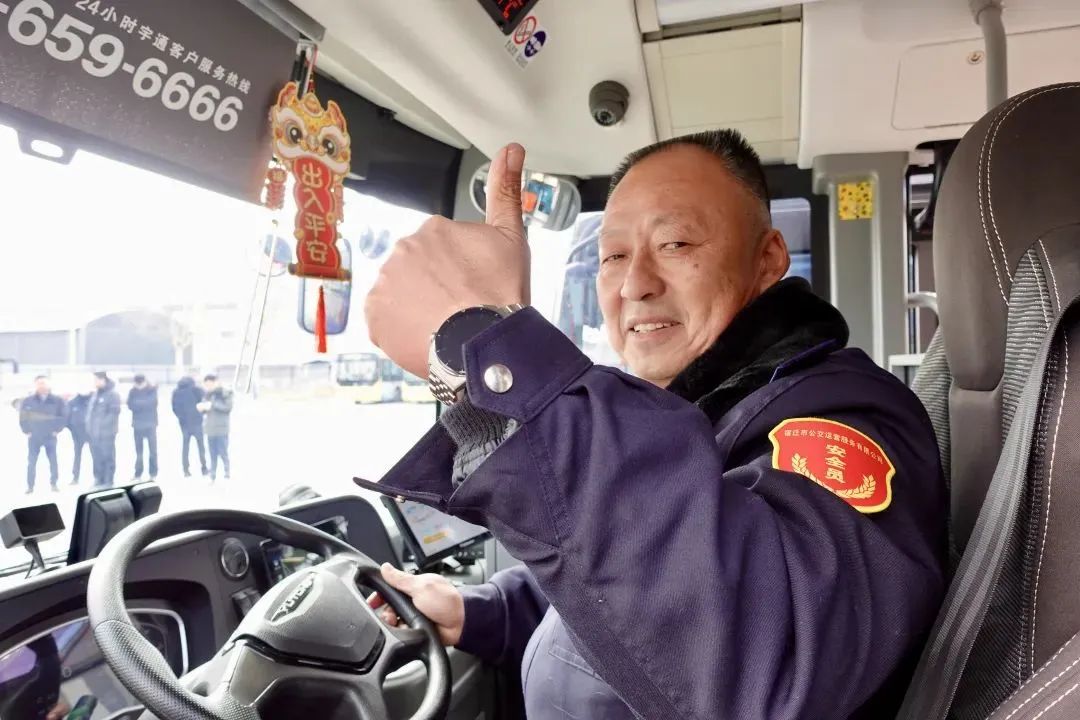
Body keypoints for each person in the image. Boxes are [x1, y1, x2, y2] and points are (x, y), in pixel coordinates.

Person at [361, 133, 948, 718]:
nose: (634, 284)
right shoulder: (698, 409)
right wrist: (483, 613)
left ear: (768, 259)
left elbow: (767, 667)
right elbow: (631, 585)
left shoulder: (841, 413)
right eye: (613, 256)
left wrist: (486, 354)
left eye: (675, 243)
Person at [18, 376, 65, 493]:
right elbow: (23, 417)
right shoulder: (28, 400)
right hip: (34, 437)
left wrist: (57, 430)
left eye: (43, 383)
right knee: (31, 462)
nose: (41, 385)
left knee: (53, 461)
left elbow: (63, 416)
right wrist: (26, 431)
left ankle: (54, 483)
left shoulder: (57, 400)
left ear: (48, 384)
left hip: (50, 436)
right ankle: (30, 486)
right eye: (39, 383)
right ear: (35, 385)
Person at [86, 371, 121, 488]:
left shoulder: (112, 395)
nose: (94, 382)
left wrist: (102, 427)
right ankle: (98, 479)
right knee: (97, 457)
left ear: (103, 380)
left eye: (96, 380)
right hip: (94, 433)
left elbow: (113, 413)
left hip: (107, 433)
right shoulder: (96, 394)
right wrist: (89, 428)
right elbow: (91, 413)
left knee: (108, 456)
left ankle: (108, 480)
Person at [172, 376, 208, 478]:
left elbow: (174, 408)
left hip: (184, 424)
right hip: (197, 422)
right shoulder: (197, 390)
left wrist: (181, 418)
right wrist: (201, 415)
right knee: (201, 446)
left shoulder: (176, 392)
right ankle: (204, 468)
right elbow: (203, 403)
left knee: (185, 447)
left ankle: (186, 470)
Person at [198, 374, 232, 481]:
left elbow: (228, 408)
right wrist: (202, 408)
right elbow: (206, 409)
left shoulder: (225, 393)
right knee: (212, 454)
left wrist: (213, 405)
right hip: (210, 429)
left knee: (223, 452)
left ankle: (227, 473)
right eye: (206, 385)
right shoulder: (207, 395)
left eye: (210, 385)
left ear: (215, 382)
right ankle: (212, 474)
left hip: (222, 428)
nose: (208, 387)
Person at [126, 373, 158, 481]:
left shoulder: (152, 390)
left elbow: (152, 404)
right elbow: (130, 405)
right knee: (139, 452)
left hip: (150, 424)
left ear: (144, 382)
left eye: (140, 384)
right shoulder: (132, 391)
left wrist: (138, 404)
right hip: (137, 425)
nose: (138, 386)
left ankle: (153, 474)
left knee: (152, 451)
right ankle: (138, 474)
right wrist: (142, 404)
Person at [66, 391, 91, 485]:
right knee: (77, 456)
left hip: (92, 433)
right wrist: (73, 430)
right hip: (77, 434)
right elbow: (67, 419)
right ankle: (75, 477)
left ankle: (99, 477)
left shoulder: (93, 399)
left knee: (96, 455)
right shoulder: (72, 402)